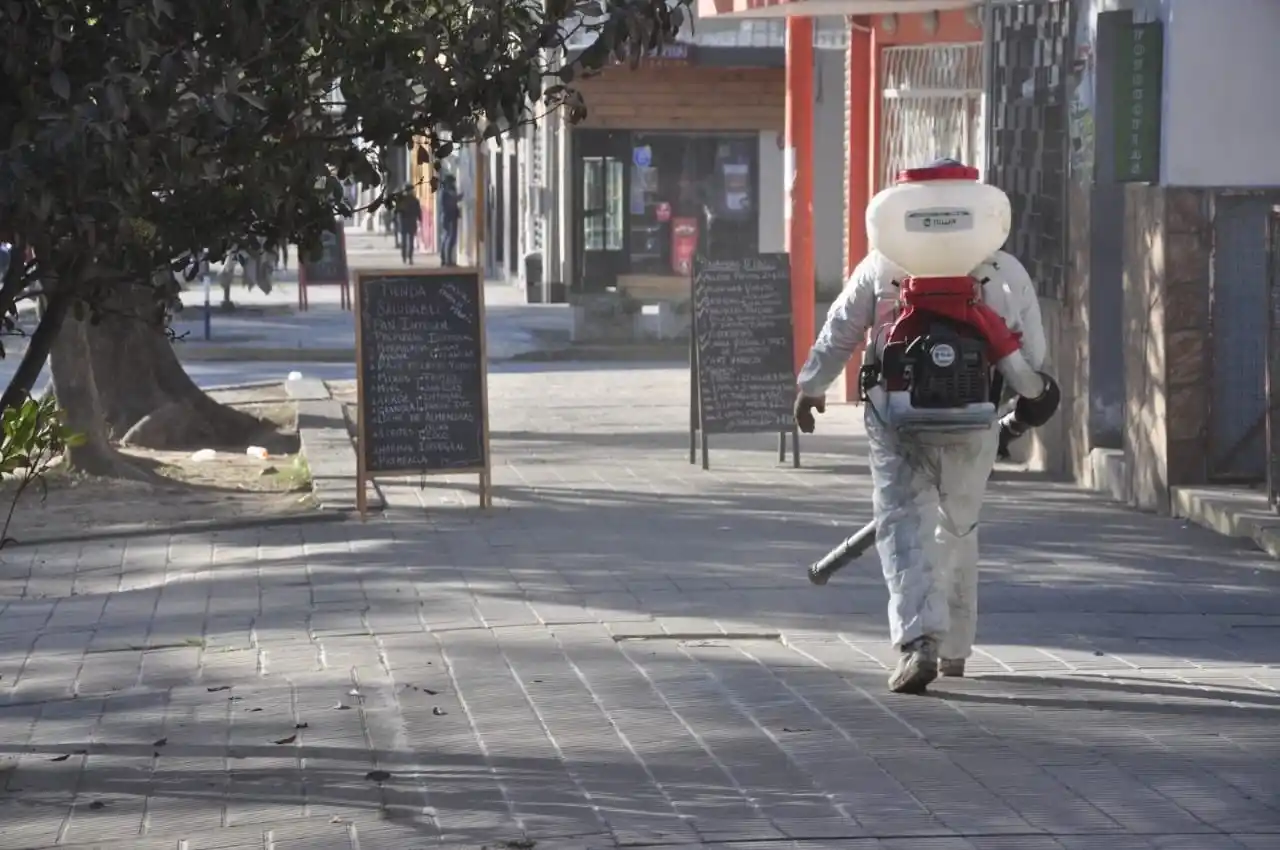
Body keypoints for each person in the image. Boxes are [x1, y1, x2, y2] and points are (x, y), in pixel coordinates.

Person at [793, 167, 1051, 695]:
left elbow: (841, 329)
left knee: (904, 529)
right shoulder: (1003, 270)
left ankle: (919, 644)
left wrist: (812, 385)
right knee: (958, 528)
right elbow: (1034, 360)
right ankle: (955, 648)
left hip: (896, 420)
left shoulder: (882, 264)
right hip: (975, 420)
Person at [438, 174, 462, 267]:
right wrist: (459, 197)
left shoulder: (446, 191)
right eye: (452, 182)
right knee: (450, 238)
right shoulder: (445, 192)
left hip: (449, 216)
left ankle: (446, 259)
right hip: (449, 217)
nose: (454, 183)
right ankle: (447, 260)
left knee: (448, 237)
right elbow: (451, 202)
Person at [395, 190, 423, 265]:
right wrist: (420, 219)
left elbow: (397, 211)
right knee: (410, 241)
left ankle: (404, 257)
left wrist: (396, 220)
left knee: (404, 241)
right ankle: (410, 258)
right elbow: (418, 211)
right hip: (412, 222)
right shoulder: (415, 200)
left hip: (403, 223)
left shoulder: (401, 200)